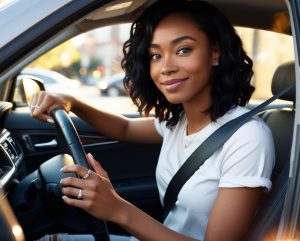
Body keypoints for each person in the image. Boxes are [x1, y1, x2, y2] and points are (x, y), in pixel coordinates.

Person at [30, 0, 275, 240]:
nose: (165, 67)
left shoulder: (247, 137)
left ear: (215, 54)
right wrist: (72, 102)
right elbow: (124, 128)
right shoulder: (178, 121)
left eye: (183, 50)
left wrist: (117, 208)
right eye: (155, 55)